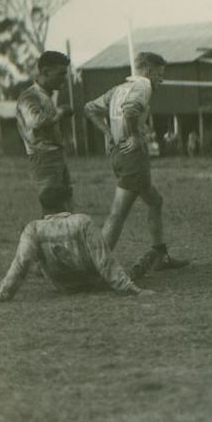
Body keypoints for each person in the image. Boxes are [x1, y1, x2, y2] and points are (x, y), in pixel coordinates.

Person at [83, 51, 189, 272]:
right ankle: (96, 267)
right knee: (118, 213)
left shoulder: (118, 89)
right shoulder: (143, 86)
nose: (162, 79)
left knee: (155, 201)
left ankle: (160, 254)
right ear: (149, 71)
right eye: (160, 74)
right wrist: (132, 135)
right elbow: (130, 110)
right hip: (132, 156)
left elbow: (90, 108)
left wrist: (108, 133)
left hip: (119, 155)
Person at [0, 187, 155, 302]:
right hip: (93, 282)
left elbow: (20, 264)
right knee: (132, 270)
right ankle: (147, 262)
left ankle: (143, 265)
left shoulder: (33, 228)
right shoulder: (83, 221)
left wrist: (2, 294)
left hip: (64, 286)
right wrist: (133, 290)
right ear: (67, 203)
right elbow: (104, 261)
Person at [16, 50, 74, 211]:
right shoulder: (29, 96)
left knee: (65, 208)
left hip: (55, 156)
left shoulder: (45, 95)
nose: (64, 78)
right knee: (53, 210)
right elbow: (34, 121)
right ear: (45, 72)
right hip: (43, 157)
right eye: (61, 74)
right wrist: (60, 112)